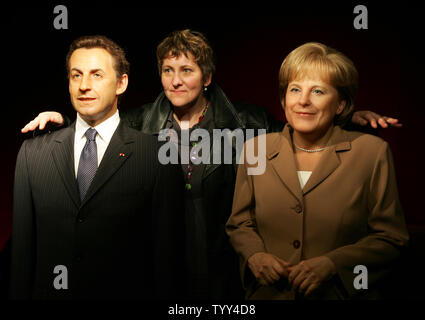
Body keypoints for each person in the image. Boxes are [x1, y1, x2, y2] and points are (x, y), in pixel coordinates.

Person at [20, 30, 402, 300]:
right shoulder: (136, 122)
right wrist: (65, 126)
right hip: (158, 257)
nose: (176, 80)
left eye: (186, 70)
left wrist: (347, 119)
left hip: (221, 260)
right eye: (168, 71)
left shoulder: (249, 123)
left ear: (207, 77)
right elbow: (100, 142)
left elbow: (300, 127)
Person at [225, 42, 409, 300]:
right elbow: (239, 223)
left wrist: (334, 264)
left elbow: (391, 238)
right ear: (283, 98)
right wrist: (255, 256)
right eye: (295, 89)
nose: (303, 101)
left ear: (341, 105)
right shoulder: (255, 149)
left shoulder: (372, 152)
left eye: (318, 91)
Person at [10, 35, 185, 299]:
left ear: (121, 83)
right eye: (76, 75)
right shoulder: (32, 154)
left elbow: (167, 261)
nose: (84, 85)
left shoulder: (157, 156)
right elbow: (22, 257)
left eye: (96, 75)